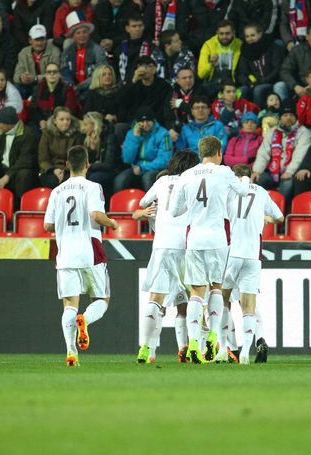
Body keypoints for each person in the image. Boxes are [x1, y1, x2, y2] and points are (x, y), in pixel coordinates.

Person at [169, 136, 250, 363]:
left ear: (200, 152)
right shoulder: (224, 172)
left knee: (196, 293)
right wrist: (243, 181)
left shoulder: (186, 175)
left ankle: (193, 341)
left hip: (194, 238)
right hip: (217, 239)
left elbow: (175, 211)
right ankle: (213, 337)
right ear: (219, 152)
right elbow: (243, 193)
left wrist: (193, 205)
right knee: (216, 288)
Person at [43, 145, 118, 367]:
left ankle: (71, 353)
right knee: (102, 300)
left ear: (67, 165)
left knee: (69, 305)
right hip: (90, 251)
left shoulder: (56, 191)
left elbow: (47, 225)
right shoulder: (93, 187)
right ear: (87, 164)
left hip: (65, 254)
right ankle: (84, 320)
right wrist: (112, 222)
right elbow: (96, 214)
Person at [133, 150, 200, 364]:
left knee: (155, 298)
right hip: (187, 246)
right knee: (197, 297)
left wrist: (147, 211)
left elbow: (143, 203)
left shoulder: (161, 183)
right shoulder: (193, 181)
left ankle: (146, 348)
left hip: (162, 246)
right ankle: (194, 346)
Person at [220, 163, 284, 364]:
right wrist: (263, 217)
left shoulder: (228, 191)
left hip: (232, 252)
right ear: (250, 176)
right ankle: (249, 348)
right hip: (253, 255)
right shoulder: (262, 192)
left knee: (223, 301)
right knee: (248, 304)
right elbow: (280, 217)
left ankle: (227, 348)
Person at [251, 103, 311, 203]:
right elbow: (263, 153)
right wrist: (257, 171)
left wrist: (290, 171)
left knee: (287, 184)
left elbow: (300, 154)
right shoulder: (273, 132)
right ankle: (258, 213)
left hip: (291, 173)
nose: (288, 118)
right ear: (280, 118)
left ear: (296, 118)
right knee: (257, 180)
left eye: (291, 115)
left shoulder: (303, 132)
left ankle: (280, 212)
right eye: (285, 115)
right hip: (272, 172)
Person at [0, 106, 38, 201]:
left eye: (0, 122)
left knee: (24, 174)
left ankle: (18, 208)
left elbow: (24, 161)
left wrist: (7, 176)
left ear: (10, 124)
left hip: (17, 170)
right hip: (1, 168)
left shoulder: (28, 135)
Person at [115, 106, 173, 193]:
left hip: (156, 169)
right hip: (136, 168)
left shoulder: (163, 134)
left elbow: (164, 160)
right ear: (137, 122)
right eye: (142, 121)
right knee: (120, 180)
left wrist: (143, 167)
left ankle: (152, 205)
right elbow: (127, 159)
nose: (145, 124)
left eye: (148, 121)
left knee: (147, 178)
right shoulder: (131, 133)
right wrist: (135, 138)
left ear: (153, 120)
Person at [235, 23, 286, 107]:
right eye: (247, 36)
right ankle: (240, 115)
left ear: (260, 34)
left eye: (252, 35)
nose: (249, 39)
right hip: (255, 83)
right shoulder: (245, 51)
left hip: (272, 80)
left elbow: (277, 68)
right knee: (241, 90)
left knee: (258, 90)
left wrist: (263, 81)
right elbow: (242, 73)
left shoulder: (272, 46)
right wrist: (248, 82)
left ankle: (258, 114)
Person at [38, 107, 84, 188]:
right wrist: (54, 170)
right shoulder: (47, 134)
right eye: (62, 119)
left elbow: (78, 158)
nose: (65, 122)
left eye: (68, 119)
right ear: (55, 121)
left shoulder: (76, 135)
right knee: (52, 181)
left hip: (70, 171)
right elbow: (43, 159)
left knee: (69, 182)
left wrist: (65, 170)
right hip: (50, 170)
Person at [28, 62, 81, 132]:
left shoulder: (68, 89)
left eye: (55, 72)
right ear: (45, 75)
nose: (52, 74)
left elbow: (68, 111)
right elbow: (33, 108)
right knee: (31, 130)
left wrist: (50, 123)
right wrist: (41, 121)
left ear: (59, 74)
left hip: (61, 122)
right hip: (41, 122)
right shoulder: (38, 88)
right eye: (49, 72)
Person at [60, 14, 107, 94]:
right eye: (78, 33)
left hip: (92, 89)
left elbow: (100, 74)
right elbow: (64, 69)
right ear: (73, 36)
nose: (82, 36)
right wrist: (70, 84)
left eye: (84, 32)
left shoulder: (98, 50)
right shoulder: (67, 51)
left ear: (89, 33)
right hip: (72, 89)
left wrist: (79, 87)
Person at [13, 24, 61, 99]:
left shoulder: (54, 51)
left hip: (47, 86)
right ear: (30, 40)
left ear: (46, 40)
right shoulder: (24, 52)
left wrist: (35, 79)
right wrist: (22, 78)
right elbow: (16, 76)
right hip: (28, 85)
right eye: (36, 40)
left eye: (42, 39)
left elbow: (55, 75)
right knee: (16, 86)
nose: (39, 43)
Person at [197, 20, 243, 96]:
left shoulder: (240, 45)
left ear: (233, 33)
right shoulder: (208, 45)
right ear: (217, 33)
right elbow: (201, 74)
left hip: (233, 83)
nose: (224, 37)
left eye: (227, 33)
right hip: (213, 82)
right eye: (221, 34)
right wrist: (211, 64)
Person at [83, 111, 119, 197]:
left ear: (94, 125)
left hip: (112, 170)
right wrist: (92, 147)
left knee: (94, 178)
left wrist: (91, 166)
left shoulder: (110, 137)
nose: (83, 128)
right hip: (96, 169)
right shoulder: (86, 138)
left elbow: (109, 164)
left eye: (85, 124)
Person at [112, 14, 155, 84]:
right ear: (127, 29)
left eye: (140, 26)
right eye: (134, 26)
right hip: (123, 85)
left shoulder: (151, 47)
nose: (137, 29)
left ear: (143, 27)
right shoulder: (119, 48)